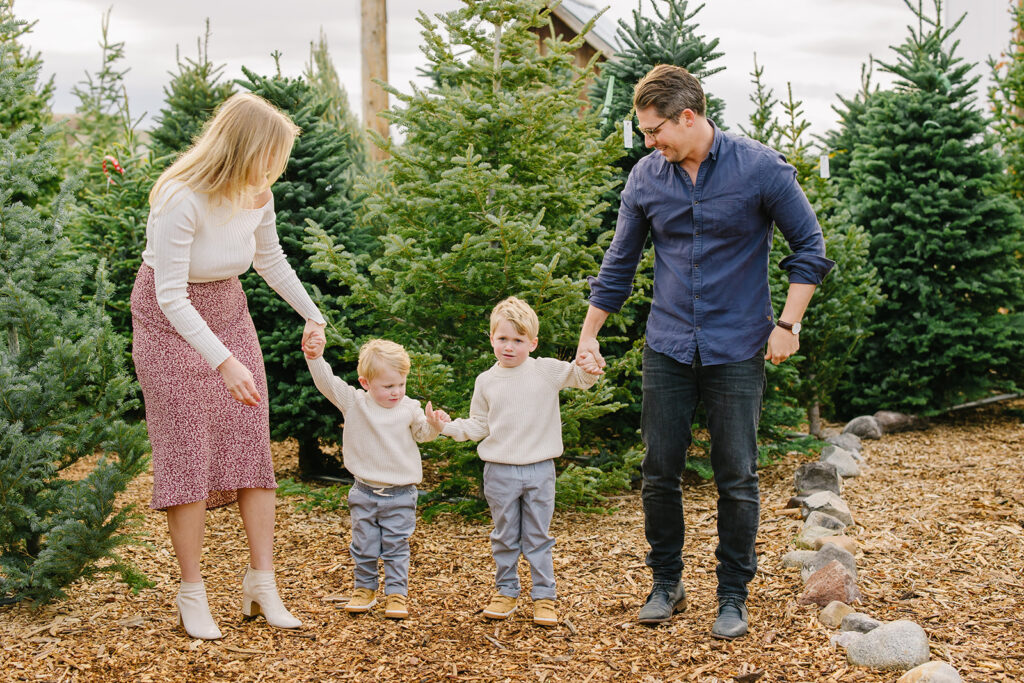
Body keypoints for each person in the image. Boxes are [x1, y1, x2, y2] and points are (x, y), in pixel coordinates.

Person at [575, 65, 834, 639]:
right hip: (667, 345)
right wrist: (588, 334)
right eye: (644, 133)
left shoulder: (760, 168)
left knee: (736, 476)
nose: (648, 142)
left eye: (654, 130)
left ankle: (733, 594)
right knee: (658, 471)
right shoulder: (646, 178)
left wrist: (789, 323)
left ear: (687, 116)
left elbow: (810, 247)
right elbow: (618, 265)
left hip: (738, 346)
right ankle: (666, 583)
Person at [130, 92, 327, 640]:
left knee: (250, 443)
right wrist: (223, 362)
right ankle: (191, 592)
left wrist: (313, 315)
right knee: (188, 450)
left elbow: (269, 258)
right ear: (243, 147)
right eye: (270, 155)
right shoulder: (180, 197)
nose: (275, 168)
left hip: (227, 307)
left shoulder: (257, 193)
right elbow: (170, 295)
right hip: (169, 320)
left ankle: (262, 583)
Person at [438, 297, 602, 626]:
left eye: (518, 340)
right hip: (499, 472)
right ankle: (506, 591)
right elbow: (479, 424)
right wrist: (445, 427)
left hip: (541, 470)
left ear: (532, 342)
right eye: (502, 339)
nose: (509, 347)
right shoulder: (486, 381)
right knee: (504, 535)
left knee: (538, 536)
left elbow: (582, 379)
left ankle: (544, 597)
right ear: (491, 339)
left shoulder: (545, 370)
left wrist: (589, 365)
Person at [304, 338, 448, 619]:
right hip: (364, 492)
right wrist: (315, 357)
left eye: (400, 384)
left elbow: (422, 434)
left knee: (396, 545)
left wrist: (434, 425)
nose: (396, 392)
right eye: (388, 386)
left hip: (401, 493)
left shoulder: (408, 407)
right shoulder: (355, 402)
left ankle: (396, 594)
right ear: (366, 383)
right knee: (364, 544)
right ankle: (364, 589)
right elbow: (327, 382)